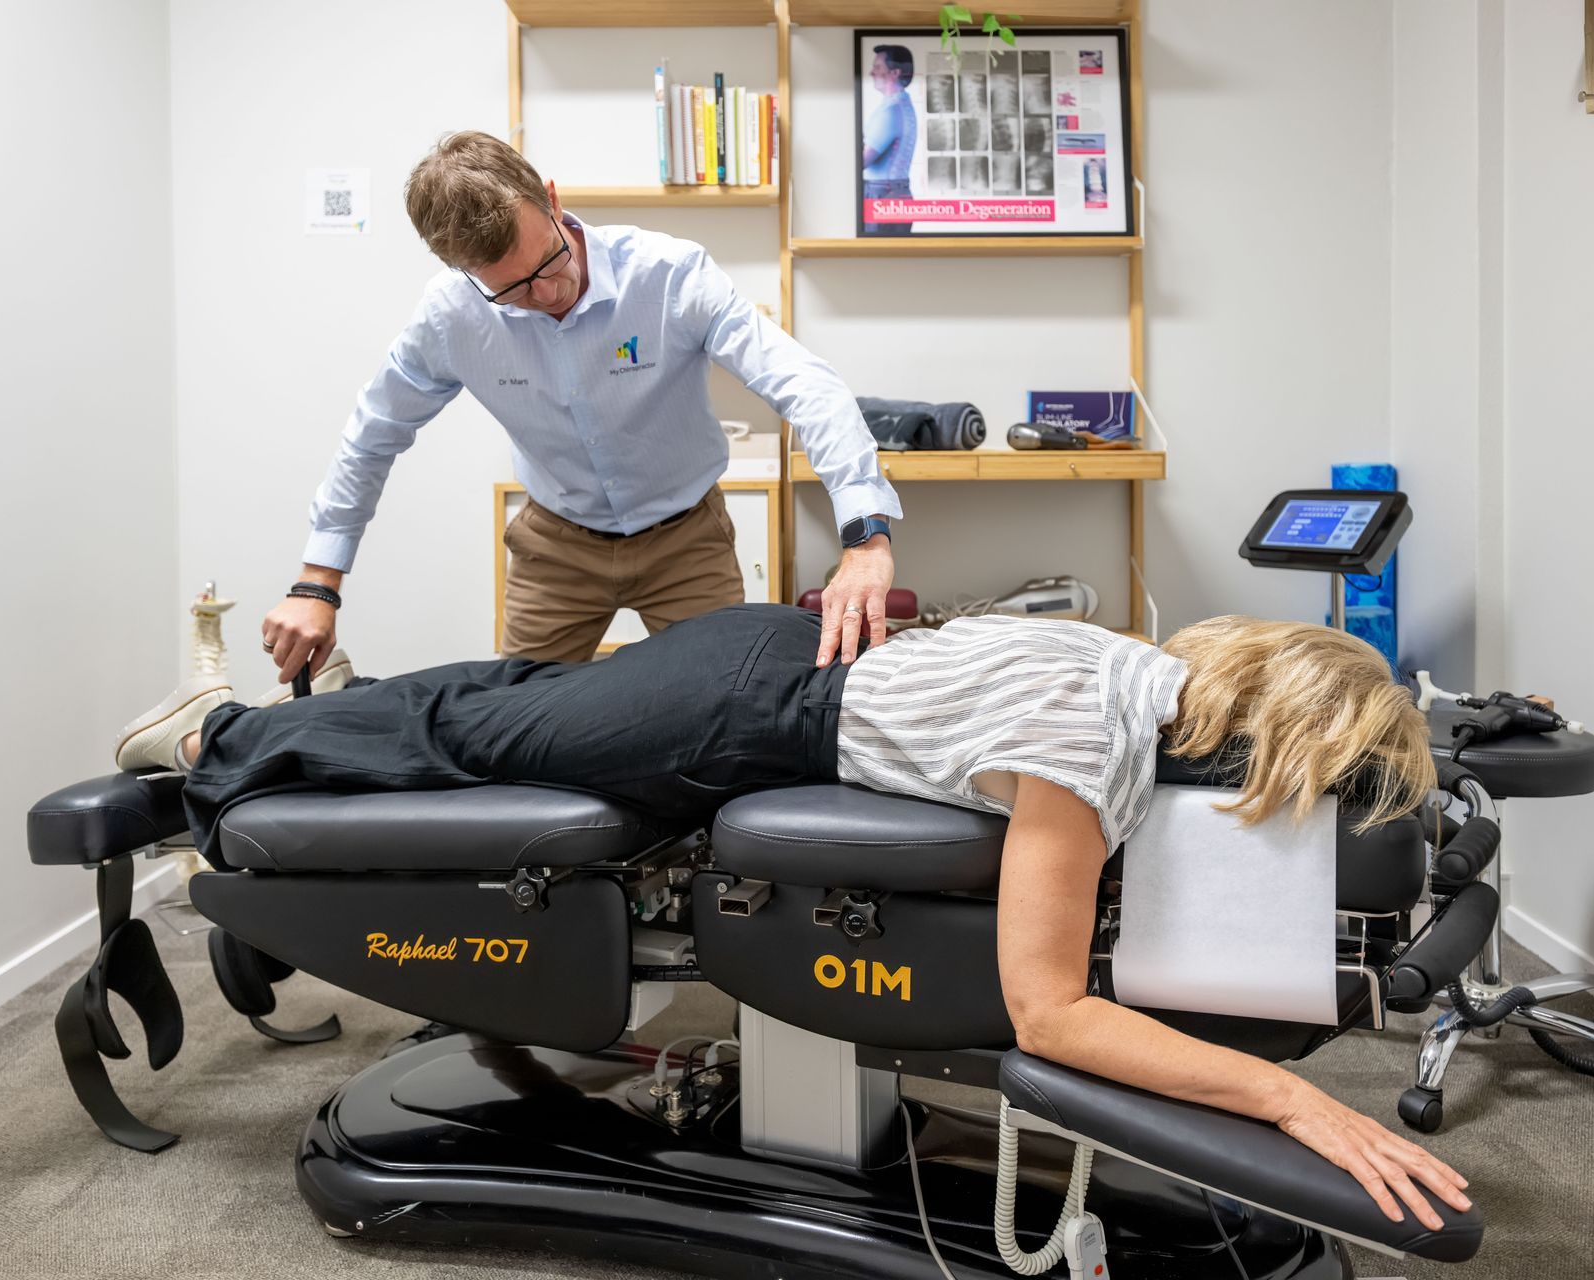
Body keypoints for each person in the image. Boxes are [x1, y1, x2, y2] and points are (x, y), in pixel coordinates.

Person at [112, 603, 1469, 1233]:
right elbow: (1054, 1013)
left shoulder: (1122, 656)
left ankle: (312, 722)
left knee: (502, 707)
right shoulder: (1090, 749)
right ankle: (225, 736)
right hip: (738, 716)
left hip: (771, 654)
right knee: (478, 728)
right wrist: (1288, 1103)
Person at [261, 131, 903, 679]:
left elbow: (802, 381)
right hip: (555, 548)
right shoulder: (450, 317)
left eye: (549, 259)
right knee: (522, 726)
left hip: (687, 539)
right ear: (465, 275)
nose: (547, 292)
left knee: (728, 707)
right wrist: (319, 581)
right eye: (512, 289)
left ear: (553, 200)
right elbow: (374, 434)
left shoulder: (670, 275)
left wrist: (865, 538)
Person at [861, 45, 919, 236]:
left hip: (883, 195)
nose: (871, 72)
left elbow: (862, 160)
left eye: (877, 67)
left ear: (894, 72)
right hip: (893, 192)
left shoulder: (891, 111)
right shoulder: (902, 105)